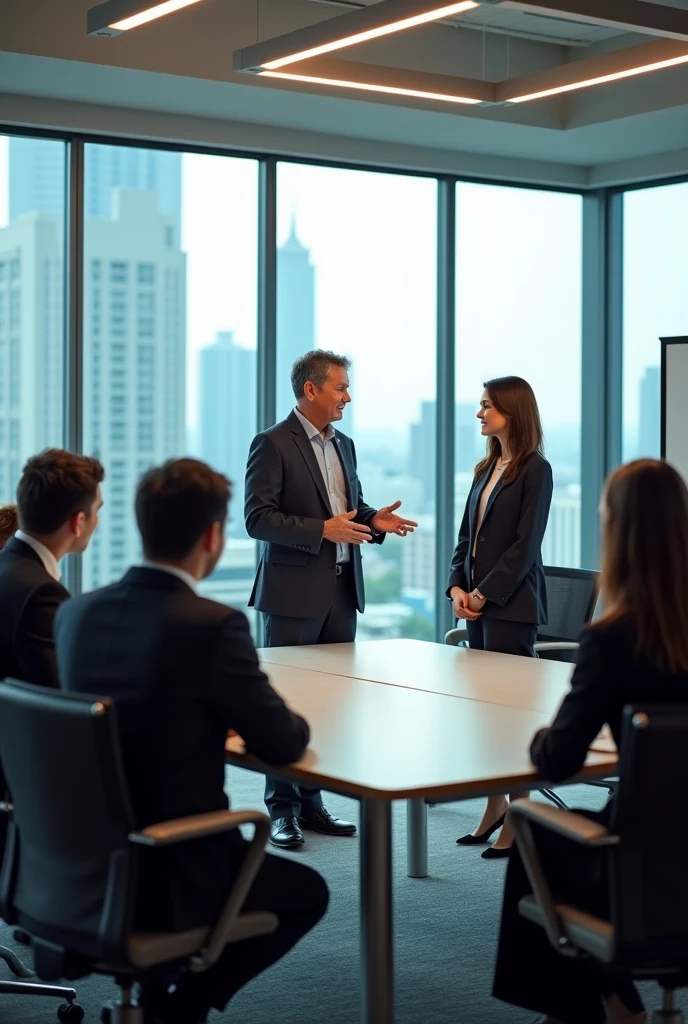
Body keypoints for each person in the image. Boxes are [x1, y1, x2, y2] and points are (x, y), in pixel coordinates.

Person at [55, 458, 329, 1024]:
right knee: (307, 894)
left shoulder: (76, 614)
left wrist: (195, 714)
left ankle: (162, 997)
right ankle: (184, 1010)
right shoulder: (210, 624)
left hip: (75, 863)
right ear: (212, 536)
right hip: (170, 871)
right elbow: (282, 743)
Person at [493, 457, 688, 1024]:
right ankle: (609, 997)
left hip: (642, 862)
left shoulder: (615, 637)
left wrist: (536, 738)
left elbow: (558, 761)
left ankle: (590, 1004)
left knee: (535, 837)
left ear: (617, 530)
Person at [245, 349, 418, 850]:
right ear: (311, 390)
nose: (349, 396)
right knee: (284, 704)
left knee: (328, 708)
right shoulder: (273, 443)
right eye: (341, 387)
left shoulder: (346, 445)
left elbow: (347, 510)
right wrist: (321, 529)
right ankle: (281, 810)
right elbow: (258, 519)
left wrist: (373, 520)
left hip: (343, 592)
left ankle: (312, 802)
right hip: (292, 596)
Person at [448, 377, 553, 857]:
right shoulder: (486, 467)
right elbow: (466, 538)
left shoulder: (536, 470)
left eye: (487, 405)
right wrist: (455, 587)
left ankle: (519, 813)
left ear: (512, 411)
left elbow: (525, 546)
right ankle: (494, 806)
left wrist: (484, 594)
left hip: (511, 605)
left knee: (510, 719)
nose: (479, 413)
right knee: (485, 715)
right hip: (475, 602)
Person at [0, 449, 103, 688]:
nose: (97, 521)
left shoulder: (6, 566)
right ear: (78, 522)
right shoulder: (41, 593)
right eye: (96, 510)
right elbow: (57, 698)